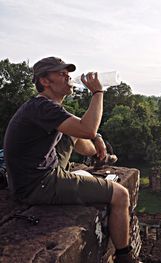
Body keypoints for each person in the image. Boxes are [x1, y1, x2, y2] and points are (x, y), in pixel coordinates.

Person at [3, 57, 134, 263]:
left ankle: (100, 158)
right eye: (61, 74)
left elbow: (78, 129)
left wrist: (97, 139)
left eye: (67, 73)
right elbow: (87, 128)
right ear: (45, 81)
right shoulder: (42, 107)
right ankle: (125, 257)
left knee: (72, 133)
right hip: (38, 184)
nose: (68, 77)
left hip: (35, 175)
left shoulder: (43, 106)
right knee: (121, 194)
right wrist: (98, 92)